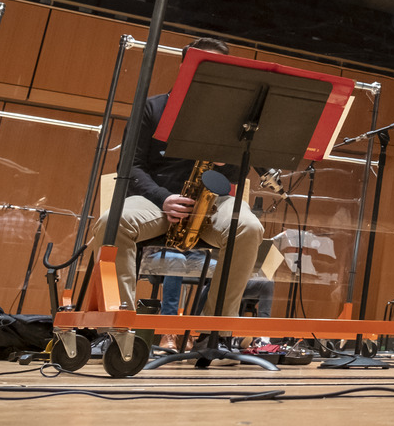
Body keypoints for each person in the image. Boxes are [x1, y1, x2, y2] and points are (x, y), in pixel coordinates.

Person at [86, 38, 265, 321]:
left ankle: (215, 328)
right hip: (155, 201)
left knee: (249, 227)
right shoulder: (152, 107)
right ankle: (119, 323)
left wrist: (225, 161)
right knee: (112, 221)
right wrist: (163, 198)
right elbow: (130, 166)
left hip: (211, 204)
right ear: (185, 66)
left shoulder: (231, 119)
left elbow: (237, 175)